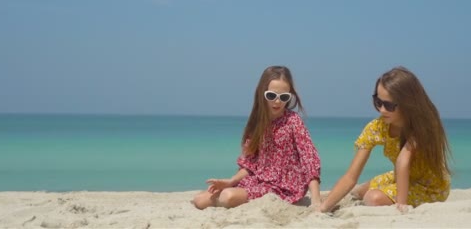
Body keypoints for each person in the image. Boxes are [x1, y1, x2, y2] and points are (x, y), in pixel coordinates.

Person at [319, 66, 452, 213]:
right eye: (378, 102)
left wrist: (401, 207)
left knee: (373, 198)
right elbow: (351, 175)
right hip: (399, 176)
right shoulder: (376, 127)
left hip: (429, 187)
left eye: (389, 105)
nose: (382, 110)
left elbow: (403, 161)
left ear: (407, 103)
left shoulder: (422, 125)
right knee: (359, 191)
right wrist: (323, 208)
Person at [192, 65, 321, 209]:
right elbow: (250, 165)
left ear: (290, 96)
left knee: (228, 196)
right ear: (262, 94)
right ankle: (225, 198)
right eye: (272, 96)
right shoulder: (257, 123)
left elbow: (309, 159)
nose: (277, 101)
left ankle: (228, 199)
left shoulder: (293, 121)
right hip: (257, 180)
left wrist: (315, 198)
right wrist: (231, 181)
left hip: (283, 186)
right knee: (199, 200)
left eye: (284, 97)